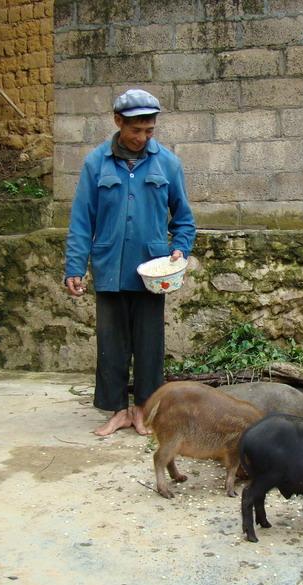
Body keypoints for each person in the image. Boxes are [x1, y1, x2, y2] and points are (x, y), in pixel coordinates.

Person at [64, 88, 196, 436]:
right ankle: (118, 411)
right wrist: (75, 267)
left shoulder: (167, 162)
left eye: (149, 130)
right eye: (135, 130)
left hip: (153, 272)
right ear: (118, 122)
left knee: (149, 344)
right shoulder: (96, 163)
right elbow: (81, 220)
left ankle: (142, 410)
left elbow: (184, 219)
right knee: (112, 345)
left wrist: (180, 248)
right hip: (109, 267)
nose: (142, 137)